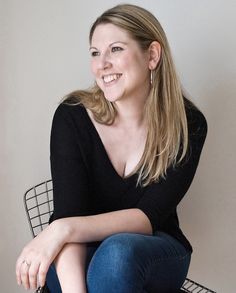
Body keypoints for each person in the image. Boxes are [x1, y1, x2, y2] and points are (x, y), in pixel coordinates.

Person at [16, 4, 207, 293]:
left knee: (116, 256)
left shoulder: (188, 124)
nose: (101, 64)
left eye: (115, 49)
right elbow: (69, 212)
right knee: (82, 270)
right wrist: (65, 235)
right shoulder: (73, 117)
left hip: (153, 250)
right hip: (76, 255)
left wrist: (61, 229)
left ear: (152, 55)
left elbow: (147, 217)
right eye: (95, 53)